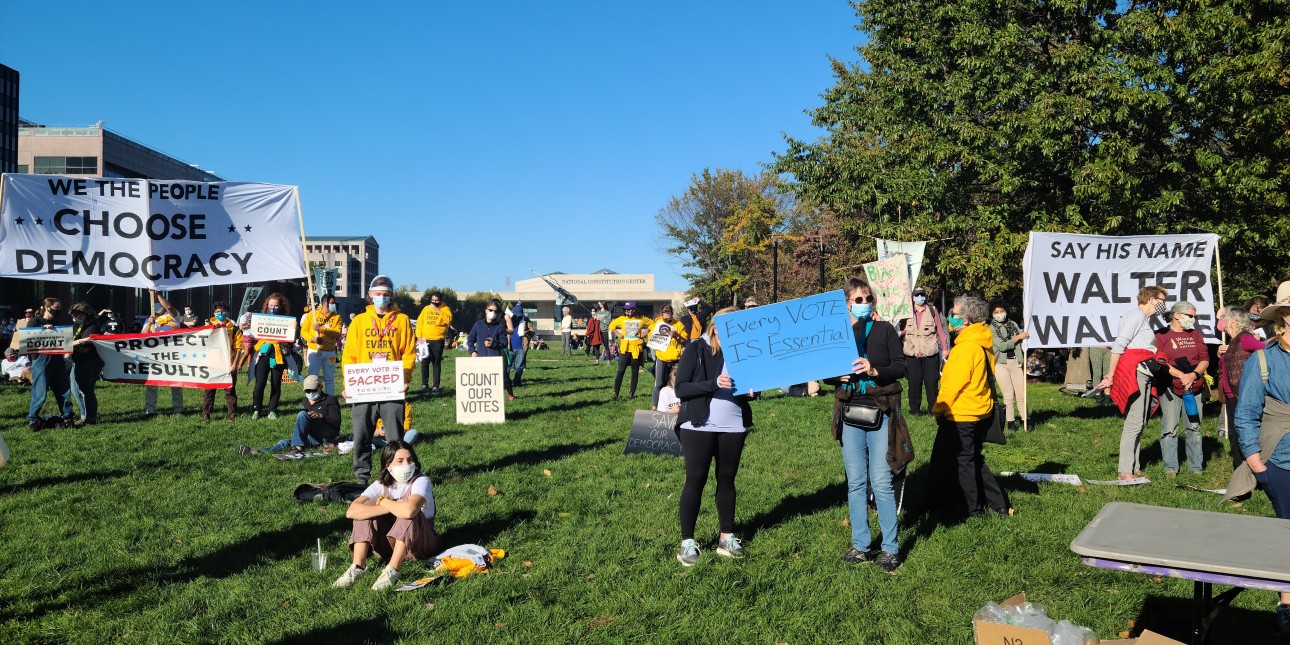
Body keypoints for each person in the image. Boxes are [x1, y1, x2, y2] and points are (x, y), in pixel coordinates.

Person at [824, 277, 907, 572]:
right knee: (856, 483)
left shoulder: (884, 330)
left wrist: (874, 369)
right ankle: (861, 545)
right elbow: (826, 373)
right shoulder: (838, 334)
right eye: (858, 299)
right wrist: (837, 377)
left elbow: (901, 366)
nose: (864, 303)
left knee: (882, 482)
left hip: (881, 411)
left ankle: (890, 549)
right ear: (847, 303)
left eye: (868, 298)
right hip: (850, 414)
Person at [1225, 300, 1290, 637]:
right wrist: (1256, 463)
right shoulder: (1264, 359)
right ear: (1283, 318)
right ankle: (1288, 603)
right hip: (1281, 463)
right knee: (1288, 533)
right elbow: (1245, 413)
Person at [673, 307, 753, 566]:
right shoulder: (696, 348)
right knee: (695, 479)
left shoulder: (745, 352)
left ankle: (726, 537)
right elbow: (681, 388)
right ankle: (687, 542)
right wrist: (714, 383)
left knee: (727, 480)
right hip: (699, 425)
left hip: (734, 425)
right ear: (715, 327)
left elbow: (751, 386)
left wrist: (753, 391)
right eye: (725, 325)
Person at [926, 296, 1012, 519]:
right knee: (974, 458)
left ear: (965, 320)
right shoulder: (983, 342)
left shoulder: (965, 347)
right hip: (980, 408)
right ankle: (998, 503)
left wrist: (938, 409)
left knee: (963, 461)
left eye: (953, 314)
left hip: (962, 412)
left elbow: (953, 384)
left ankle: (972, 508)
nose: (949, 318)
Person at [333, 441, 441, 591]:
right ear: (388, 466)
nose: (406, 464)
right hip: (389, 544)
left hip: (421, 544)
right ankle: (358, 566)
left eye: (410, 460)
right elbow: (352, 511)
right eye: (400, 461)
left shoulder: (422, 481)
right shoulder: (380, 484)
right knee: (368, 506)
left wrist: (384, 502)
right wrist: (389, 507)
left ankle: (393, 570)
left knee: (408, 513)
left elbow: (409, 511)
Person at [342, 275, 415, 485]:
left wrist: (406, 377)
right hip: (364, 388)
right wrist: (348, 384)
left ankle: (396, 476)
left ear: (391, 296)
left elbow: (408, 353)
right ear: (370, 295)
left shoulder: (402, 320)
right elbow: (350, 355)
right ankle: (361, 478)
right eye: (377, 294)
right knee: (362, 436)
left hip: (392, 387)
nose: (381, 298)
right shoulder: (359, 321)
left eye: (385, 294)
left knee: (394, 439)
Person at [1095, 285, 1170, 481]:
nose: (1164, 304)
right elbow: (1119, 345)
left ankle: (1134, 467)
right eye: (1162, 299)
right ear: (1152, 299)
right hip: (1134, 372)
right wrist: (1110, 375)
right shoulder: (1135, 316)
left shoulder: (1144, 319)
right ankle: (1124, 470)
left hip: (1144, 372)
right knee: (1134, 422)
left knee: (1141, 421)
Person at [1155, 301, 1208, 477]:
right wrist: (1180, 374)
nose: (1193, 319)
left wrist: (1193, 375)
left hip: (1194, 387)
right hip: (1170, 387)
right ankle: (1170, 467)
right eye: (1190, 316)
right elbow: (1160, 361)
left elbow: (1204, 359)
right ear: (1177, 315)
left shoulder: (1196, 335)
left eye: (1195, 316)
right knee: (1169, 428)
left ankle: (1195, 468)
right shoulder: (1161, 335)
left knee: (1194, 427)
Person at [239, 375, 341, 455]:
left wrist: (321, 416)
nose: (310, 393)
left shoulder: (330, 400)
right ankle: (259, 451)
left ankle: (297, 447)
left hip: (328, 434)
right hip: (312, 436)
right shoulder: (305, 400)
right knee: (286, 442)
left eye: (313, 390)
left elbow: (336, 423)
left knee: (302, 414)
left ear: (321, 387)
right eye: (307, 391)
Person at [1219, 305, 1263, 471]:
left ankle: (1248, 471)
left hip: (1242, 394)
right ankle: (1241, 471)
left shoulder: (1245, 338)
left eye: (1226, 320)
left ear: (1233, 322)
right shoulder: (1234, 341)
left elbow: (1267, 350)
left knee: (1242, 434)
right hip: (1232, 395)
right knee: (1234, 434)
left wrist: (1259, 342)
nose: (1223, 324)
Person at [22, 299, 75, 430]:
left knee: (64, 390)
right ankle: (33, 418)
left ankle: (67, 416)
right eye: (57, 307)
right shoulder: (35, 321)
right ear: (47, 307)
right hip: (41, 361)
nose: (59, 310)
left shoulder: (57, 323)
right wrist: (42, 330)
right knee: (39, 391)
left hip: (57, 360)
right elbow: (27, 339)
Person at [899, 286, 950, 416]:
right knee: (914, 381)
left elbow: (940, 331)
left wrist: (944, 348)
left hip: (930, 352)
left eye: (922, 294)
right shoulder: (906, 312)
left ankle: (933, 409)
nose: (919, 297)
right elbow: (900, 330)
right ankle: (914, 410)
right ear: (913, 297)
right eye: (917, 295)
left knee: (931, 381)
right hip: (912, 353)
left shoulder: (932, 310)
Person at [249, 293, 295, 419]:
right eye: (271, 305)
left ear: (281, 306)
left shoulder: (286, 321)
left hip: (278, 353)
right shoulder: (261, 319)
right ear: (267, 306)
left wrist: (293, 330)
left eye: (276, 305)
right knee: (260, 383)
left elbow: (290, 339)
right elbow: (253, 336)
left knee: (276, 383)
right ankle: (256, 408)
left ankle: (272, 410)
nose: (273, 308)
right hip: (263, 353)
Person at [987, 303, 1030, 432]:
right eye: (996, 311)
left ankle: (1026, 420)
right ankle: (1010, 423)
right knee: (1008, 395)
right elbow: (1002, 346)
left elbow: (1024, 335)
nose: (1000, 314)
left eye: (1002, 310)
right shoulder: (991, 328)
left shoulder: (1013, 324)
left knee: (1022, 394)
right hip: (1001, 364)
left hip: (1016, 361)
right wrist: (1018, 337)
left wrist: (1023, 335)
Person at [143, 292, 186, 416]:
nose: (158, 305)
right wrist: (150, 324)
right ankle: (150, 410)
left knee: (175, 383)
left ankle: (178, 409)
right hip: (154, 355)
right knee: (152, 384)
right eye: (155, 302)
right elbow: (142, 336)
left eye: (159, 303)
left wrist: (158, 295)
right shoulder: (148, 319)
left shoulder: (174, 316)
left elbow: (168, 308)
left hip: (172, 355)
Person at [202, 301, 242, 422]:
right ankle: (206, 413)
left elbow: (238, 348)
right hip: (212, 364)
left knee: (230, 391)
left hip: (228, 365)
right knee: (209, 391)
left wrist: (235, 364)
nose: (220, 314)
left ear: (228, 313)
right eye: (218, 312)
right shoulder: (208, 327)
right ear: (214, 313)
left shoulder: (234, 329)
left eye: (223, 311)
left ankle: (232, 413)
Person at [467, 298, 514, 400]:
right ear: (486, 310)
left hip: (495, 359)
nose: (492, 313)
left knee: (499, 380)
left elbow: (504, 343)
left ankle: (509, 394)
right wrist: (472, 351)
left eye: (495, 311)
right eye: (490, 310)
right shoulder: (478, 325)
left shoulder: (500, 327)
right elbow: (470, 339)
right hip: (481, 358)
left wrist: (494, 344)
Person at [67, 302, 103, 426]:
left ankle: (91, 418)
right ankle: (84, 415)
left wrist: (69, 346)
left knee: (86, 390)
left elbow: (85, 348)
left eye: (75, 315)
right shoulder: (79, 324)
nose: (73, 318)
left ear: (84, 314)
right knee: (75, 389)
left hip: (89, 361)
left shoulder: (93, 326)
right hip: (77, 361)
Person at [609, 301, 654, 400]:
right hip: (625, 349)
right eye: (626, 309)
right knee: (620, 371)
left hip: (636, 349)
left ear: (634, 309)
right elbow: (611, 325)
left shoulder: (641, 318)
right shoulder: (621, 319)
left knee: (634, 371)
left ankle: (631, 394)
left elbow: (652, 323)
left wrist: (645, 332)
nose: (627, 311)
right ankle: (615, 393)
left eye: (629, 309)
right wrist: (617, 333)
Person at [649, 305, 689, 410]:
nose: (667, 316)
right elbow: (651, 340)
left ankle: (678, 404)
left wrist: (676, 335)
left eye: (669, 313)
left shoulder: (678, 324)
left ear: (672, 314)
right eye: (665, 314)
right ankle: (654, 405)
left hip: (676, 359)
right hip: (662, 358)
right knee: (659, 383)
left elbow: (684, 340)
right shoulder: (657, 324)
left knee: (676, 382)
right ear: (662, 314)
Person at [302, 293, 343, 396]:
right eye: (332, 303)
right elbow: (304, 331)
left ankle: (330, 400)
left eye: (334, 303)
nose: (334, 305)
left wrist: (321, 329)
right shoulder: (312, 315)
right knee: (312, 378)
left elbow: (337, 333)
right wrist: (312, 339)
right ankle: (312, 400)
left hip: (330, 353)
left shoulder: (337, 317)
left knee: (329, 379)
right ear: (325, 303)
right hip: (314, 351)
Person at [415, 291, 453, 394]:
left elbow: (448, 321)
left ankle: (435, 386)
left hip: (438, 340)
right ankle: (424, 384)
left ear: (441, 301)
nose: (434, 302)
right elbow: (419, 323)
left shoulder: (445, 309)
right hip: (425, 340)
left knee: (436, 363)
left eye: (436, 301)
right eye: (432, 300)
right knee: (424, 362)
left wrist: (437, 310)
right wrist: (419, 336)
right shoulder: (426, 309)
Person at [507, 301, 530, 387]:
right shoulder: (509, 320)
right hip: (510, 347)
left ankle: (517, 382)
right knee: (508, 367)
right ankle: (506, 382)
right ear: (513, 312)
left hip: (521, 347)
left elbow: (532, 331)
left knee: (519, 367)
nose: (518, 316)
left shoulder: (526, 319)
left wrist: (526, 332)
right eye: (517, 314)